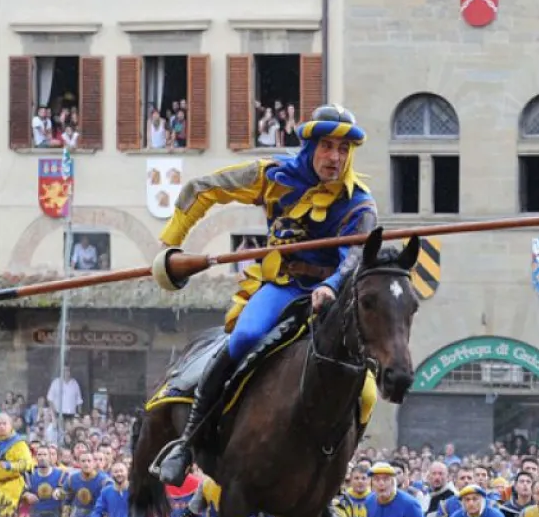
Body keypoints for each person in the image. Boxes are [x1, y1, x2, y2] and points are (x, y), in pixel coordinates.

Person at [150, 105, 378, 491]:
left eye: (343, 149)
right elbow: (202, 189)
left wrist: (333, 286)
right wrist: (171, 243)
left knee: (367, 392)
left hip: (333, 299)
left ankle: (330, 487)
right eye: (327, 146)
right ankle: (187, 443)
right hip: (282, 286)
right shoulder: (271, 176)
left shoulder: (360, 203)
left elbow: (356, 257)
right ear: (309, 146)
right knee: (242, 338)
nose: (335, 158)